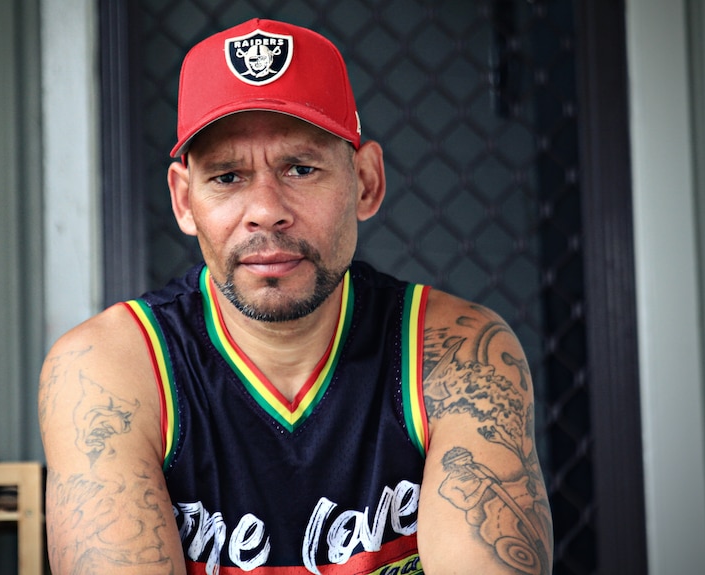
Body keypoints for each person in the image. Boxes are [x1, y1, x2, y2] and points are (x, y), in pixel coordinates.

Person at [38, 18, 553, 575]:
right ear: (184, 201)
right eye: (228, 177)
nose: (265, 209)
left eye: (301, 168)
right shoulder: (111, 369)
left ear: (366, 181)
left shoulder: (457, 354)